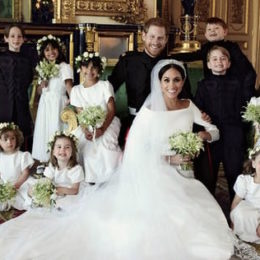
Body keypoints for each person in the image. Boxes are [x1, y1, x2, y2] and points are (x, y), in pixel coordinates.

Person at [0, 60, 234, 259]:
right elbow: (136, 147)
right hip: (155, 172)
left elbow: (214, 131)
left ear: (183, 82)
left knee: (196, 217)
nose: (172, 86)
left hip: (185, 172)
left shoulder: (188, 105)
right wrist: (168, 158)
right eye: (167, 80)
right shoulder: (150, 109)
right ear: (159, 83)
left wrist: (203, 135)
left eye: (177, 80)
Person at [108, 17, 193, 146]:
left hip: (168, 122)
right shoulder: (128, 61)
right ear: (144, 36)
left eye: (160, 38)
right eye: (152, 37)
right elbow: (109, 88)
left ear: (165, 39)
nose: (155, 42)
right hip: (136, 121)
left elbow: (186, 96)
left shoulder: (174, 64)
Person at [195, 46, 248, 200]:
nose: (219, 62)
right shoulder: (203, 85)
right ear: (209, 64)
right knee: (208, 176)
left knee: (234, 173)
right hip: (212, 135)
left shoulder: (237, 84)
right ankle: (209, 210)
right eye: (215, 59)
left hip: (233, 133)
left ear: (229, 63)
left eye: (223, 58)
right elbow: (198, 108)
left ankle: (234, 208)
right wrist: (202, 115)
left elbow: (243, 108)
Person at [174, 17, 256, 100]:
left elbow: (246, 68)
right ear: (205, 34)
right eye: (209, 29)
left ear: (225, 32)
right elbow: (189, 56)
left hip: (231, 87)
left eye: (216, 28)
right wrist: (170, 56)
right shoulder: (205, 48)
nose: (212, 31)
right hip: (212, 87)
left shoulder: (232, 47)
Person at [71, 52, 122, 184]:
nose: (89, 71)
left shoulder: (105, 85)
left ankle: (109, 179)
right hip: (87, 124)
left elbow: (111, 110)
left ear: (99, 69)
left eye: (94, 67)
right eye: (86, 67)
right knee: (83, 145)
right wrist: (85, 130)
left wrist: (102, 129)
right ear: (80, 69)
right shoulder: (76, 90)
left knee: (105, 146)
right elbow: (80, 114)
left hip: (107, 122)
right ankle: (89, 180)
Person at [32, 34, 74, 163]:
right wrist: (42, 84)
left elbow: (69, 88)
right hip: (45, 104)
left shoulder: (64, 67)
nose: (51, 52)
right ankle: (44, 160)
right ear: (43, 53)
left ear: (59, 50)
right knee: (44, 131)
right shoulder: (42, 68)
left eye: (54, 49)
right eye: (47, 50)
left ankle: (58, 160)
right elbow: (40, 91)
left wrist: (71, 101)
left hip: (57, 104)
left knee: (56, 129)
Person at [0, 24, 34, 151]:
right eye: (12, 36)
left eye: (19, 36)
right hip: (3, 106)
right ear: (6, 38)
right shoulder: (1, 58)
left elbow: (28, 81)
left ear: (23, 39)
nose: (16, 39)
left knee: (21, 139)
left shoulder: (27, 60)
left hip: (21, 106)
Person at [41, 131, 85, 208]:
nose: (63, 150)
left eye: (67, 147)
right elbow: (46, 182)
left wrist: (58, 190)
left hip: (70, 193)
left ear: (72, 152)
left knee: (64, 205)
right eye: (59, 147)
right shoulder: (52, 166)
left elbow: (75, 190)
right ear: (53, 151)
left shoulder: (76, 169)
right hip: (57, 192)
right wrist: (45, 190)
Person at [0, 122, 34, 211]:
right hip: (6, 185)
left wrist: (17, 185)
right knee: (5, 198)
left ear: (17, 139)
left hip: (21, 183)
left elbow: (25, 173)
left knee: (28, 194)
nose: (9, 142)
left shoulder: (22, 155)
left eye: (12, 138)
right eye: (5, 139)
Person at [230, 145, 260, 244]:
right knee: (239, 211)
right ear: (254, 163)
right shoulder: (244, 180)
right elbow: (235, 204)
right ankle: (243, 236)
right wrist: (232, 224)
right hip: (250, 212)